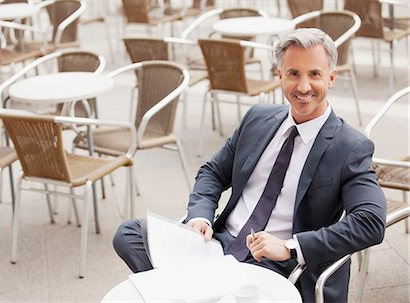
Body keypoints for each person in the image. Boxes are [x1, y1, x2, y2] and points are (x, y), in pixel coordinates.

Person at [112, 28, 386, 302]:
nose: (303, 86)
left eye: (314, 74)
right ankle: (201, 286)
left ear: (331, 77)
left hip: (274, 263)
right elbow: (213, 172)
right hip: (216, 244)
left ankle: (192, 288)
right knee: (129, 234)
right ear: (280, 76)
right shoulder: (258, 118)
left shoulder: (350, 146)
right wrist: (200, 217)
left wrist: (291, 247)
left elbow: (371, 222)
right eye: (293, 74)